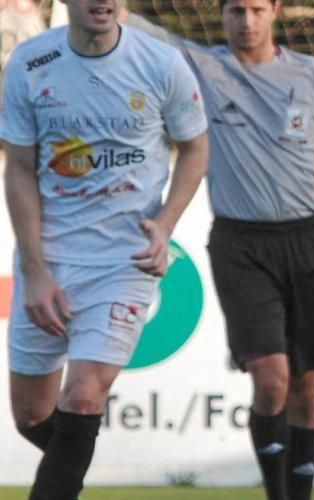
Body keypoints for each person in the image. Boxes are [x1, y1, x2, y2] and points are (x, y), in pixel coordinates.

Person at [122, 1, 314, 498]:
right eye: (236, 10)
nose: (246, 21)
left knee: (306, 386)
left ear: (275, 11)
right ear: (223, 14)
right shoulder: (202, 67)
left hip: (307, 241)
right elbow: (133, 25)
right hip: (240, 243)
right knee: (270, 378)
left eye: (256, 9)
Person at [0, 0, 209, 497]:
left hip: (125, 261)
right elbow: (19, 168)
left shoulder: (162, 63)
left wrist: (165, 223)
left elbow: (195, 148)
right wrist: (35, 270)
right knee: (32, 417)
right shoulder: (29, 63)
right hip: (49, 262)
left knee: (85, 396)